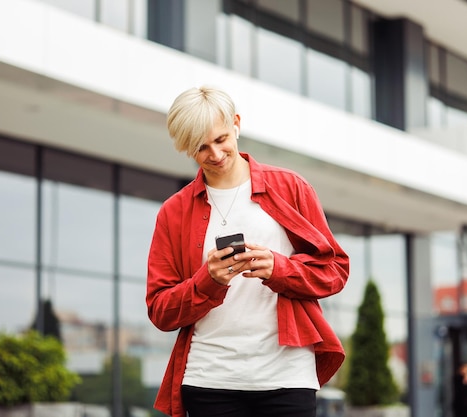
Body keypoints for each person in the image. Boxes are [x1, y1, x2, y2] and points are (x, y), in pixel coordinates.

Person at [146, 85, 350, 417]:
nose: (215, 154)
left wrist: (279, 269)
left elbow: (335, 270)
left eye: (221, 138)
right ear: (186, 149)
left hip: (287, 375)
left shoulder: (291, 188)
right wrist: (208, 280)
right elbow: (160, 310)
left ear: (236, 123)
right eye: (201, 147)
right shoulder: (174, 212)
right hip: (210, 379)